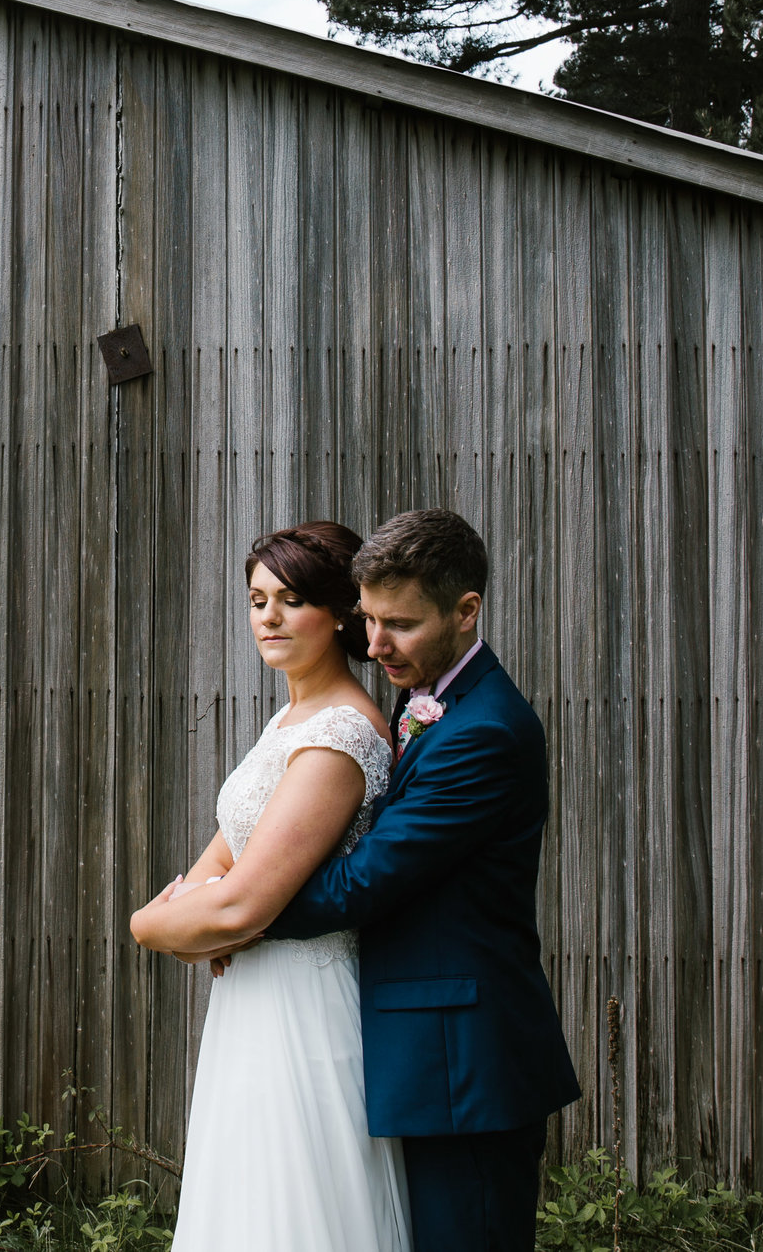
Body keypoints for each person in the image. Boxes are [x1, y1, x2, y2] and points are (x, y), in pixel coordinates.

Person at [140, 509, 580, 1252]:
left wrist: (227, 917)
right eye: (368, 619)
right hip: (410, 1045)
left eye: (397, 624)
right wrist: (217, 911)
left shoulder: (485, 733)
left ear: (466, 610)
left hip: (463, 1063)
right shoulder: (422, 699)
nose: (374, 644)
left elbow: (360, 883)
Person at [130, 521, 409, 1252]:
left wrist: (146, 926)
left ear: (342, 610)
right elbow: (211, 872)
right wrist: (203, 918)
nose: (269, 618)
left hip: (305, 1008)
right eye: (257, 600)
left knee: (295, 1209)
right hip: (249, 1004)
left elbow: (236, 901)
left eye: (291, 599)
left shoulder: (341, 733)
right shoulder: (289, 719)